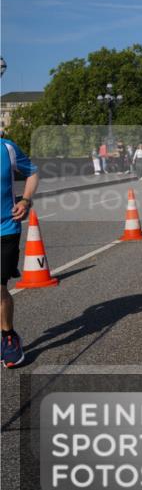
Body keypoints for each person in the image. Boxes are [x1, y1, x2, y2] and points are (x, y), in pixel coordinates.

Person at [1, 136, 39, 368]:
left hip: (5, 228)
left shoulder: (7, 148)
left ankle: (8, 337)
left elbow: (32, 172)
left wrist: (25, 200)